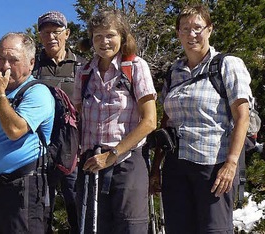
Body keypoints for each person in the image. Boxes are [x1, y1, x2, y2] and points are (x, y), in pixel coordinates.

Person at [150, 5, 252, 233]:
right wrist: (156, 167)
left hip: (214, 165)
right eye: (185, 29)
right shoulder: (174, 71)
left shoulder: (227, 65)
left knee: (213, 229)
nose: (191, 34)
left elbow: (242, 116)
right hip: (176, 165)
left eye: (197, 27)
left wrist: (231, 164)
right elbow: (166, 123)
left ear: (209, 29)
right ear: (178, 33)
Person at [72, 9, 156, 233]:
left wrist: (113, 155)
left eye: (110, 35)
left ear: (122, 36)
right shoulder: (84, 72)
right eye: (97, 36)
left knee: (130, 228)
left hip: (126, 162)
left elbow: (149, 121)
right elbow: (78, 116)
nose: (104, 41)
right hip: (91, 163)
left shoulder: (136, 67)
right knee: (93, 228)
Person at [0, 32, 54, 234]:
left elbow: (15, 130)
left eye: (13, 60)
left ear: (31, 63)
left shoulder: (37, 92)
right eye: (2, 59)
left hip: (24, 189)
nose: (5, 66)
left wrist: (1, 96)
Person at [33, 10, 85, 234]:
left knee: (77, 208)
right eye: (46, 32)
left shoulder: (83, 66)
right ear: (40, 36)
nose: (51, 37)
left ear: (67, 33)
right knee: (41, 209)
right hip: (40, 149)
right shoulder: (32, 66)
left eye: (56, 31)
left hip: (73, 149)